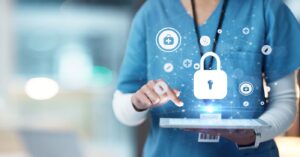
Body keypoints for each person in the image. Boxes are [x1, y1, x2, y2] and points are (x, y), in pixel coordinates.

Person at [113, 0, 300, 156]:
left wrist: (255, 133)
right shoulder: (152, 13)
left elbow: (285, 101)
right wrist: (137, 102)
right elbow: (124, 111)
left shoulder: (267, 9)